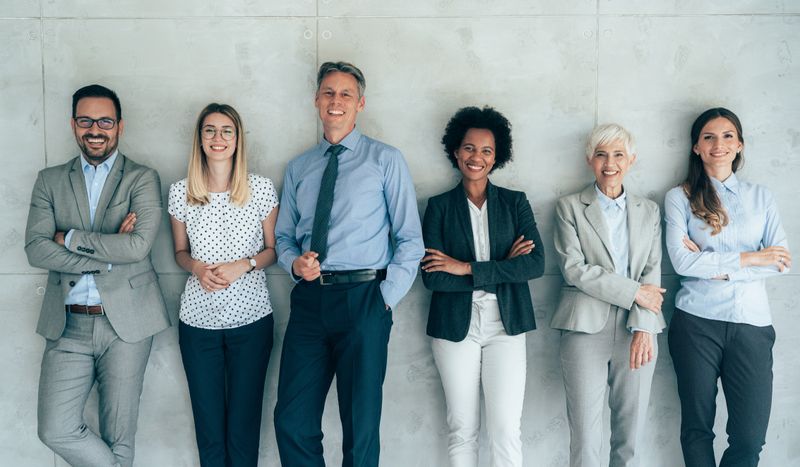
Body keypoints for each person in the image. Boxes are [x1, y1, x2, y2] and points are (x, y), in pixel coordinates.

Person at [273, 61, 424, 466]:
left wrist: (385, 299)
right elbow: (284, 238)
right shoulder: (299, 167)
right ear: (316, 101)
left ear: (360, 103)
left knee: (360, 428)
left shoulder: (385, 160)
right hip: (309, 302)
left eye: (345, 94)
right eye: (328, 93)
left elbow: (410, 239)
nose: (335, 101)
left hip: (365, 299)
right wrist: (293, 265)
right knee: (291, 420)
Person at [24, 84, 170, 467]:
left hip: (128, 325)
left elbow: (137, 247)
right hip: (68, 325)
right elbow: (37, 249)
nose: (95, 129)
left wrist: (69, 238)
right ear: (73, 125)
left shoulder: (141, 177)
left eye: (104, 121)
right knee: (55, 429)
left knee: (120, 437)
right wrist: (105, 257)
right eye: (86, 120)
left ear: (119, 126)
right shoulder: (49, 180)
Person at [665, 108, 791, 467]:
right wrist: (751, 258)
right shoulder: (680, 197)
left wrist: (717, 266)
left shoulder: (761, 197)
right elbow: (682, 263)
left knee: (750, 439)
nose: (718, 144)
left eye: (726, 136)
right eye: (708, 136)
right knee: (697, 429)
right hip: (695, 324)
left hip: (752, 326)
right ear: (696, 147)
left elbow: (781, 261)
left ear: (739, 145)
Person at [421, 106, 545, 467]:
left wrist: (463, 267)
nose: (477, 157)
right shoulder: (439, 207)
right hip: (454, 326)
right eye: (469, 148)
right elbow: (432, 276)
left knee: (506, 429)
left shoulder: (514, 202)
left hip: (506, 323)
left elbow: (535, 265)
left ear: (497, 156)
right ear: (456, 152)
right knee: (462, 429)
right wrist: (504, 266)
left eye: (486, 151)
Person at [168, 103, 279, 467]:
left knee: (244, 429)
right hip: (198, 325)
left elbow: (274, 251)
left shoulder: (260, 189)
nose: (218, 138)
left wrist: (242, 266)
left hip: (251, 321)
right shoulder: (181, 192)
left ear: (238, 139)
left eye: (226, 130)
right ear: (200, 139)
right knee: (210, 431)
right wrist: (197, 268)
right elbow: (180, 253)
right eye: (210, 130)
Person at [551, 123, 666, 467]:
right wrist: (634, 293)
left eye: (618, 154)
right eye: (601, 154)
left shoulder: (649, 211)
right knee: (586, 440)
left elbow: (653, 274)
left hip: (638, 330)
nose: (610, 163)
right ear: (590, 160)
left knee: (629, 438)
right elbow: (574, 269)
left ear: (631, 159)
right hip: (585, 328)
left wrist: (645, 326)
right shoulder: (569, 207)